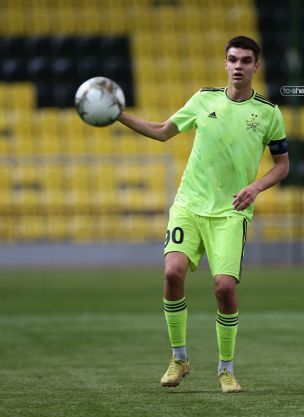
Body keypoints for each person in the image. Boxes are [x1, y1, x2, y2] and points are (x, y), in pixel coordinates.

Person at [118, 35, 289, 393]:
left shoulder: (269, 113)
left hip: (230, 212)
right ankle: (179, 359)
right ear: (225, 64)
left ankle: (225, 369)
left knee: (224, 288)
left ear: (256, 66)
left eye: (245, 60)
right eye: (232, 59)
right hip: (189, 206)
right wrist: (118, 115)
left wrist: (255, 187)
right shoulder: (203, 99)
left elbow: (282, 166)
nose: (238, 65)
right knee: (171, 274)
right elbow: (164, 132)